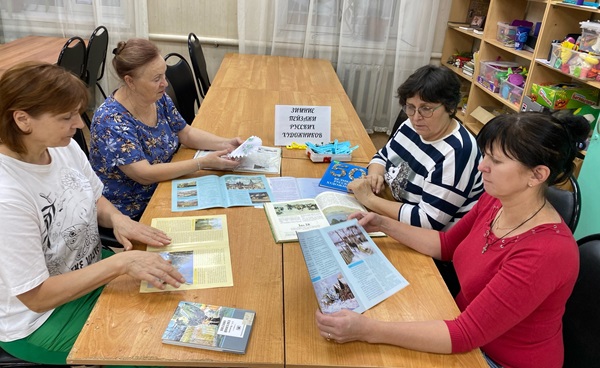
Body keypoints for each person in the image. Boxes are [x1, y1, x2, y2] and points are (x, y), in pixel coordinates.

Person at [316, 111, 590, 368]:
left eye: (496, 161)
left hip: (496, 359)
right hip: (461, 328)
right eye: (485, 156)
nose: (482, 166)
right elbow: (447, 246)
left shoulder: (547, 252)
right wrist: (383, 223)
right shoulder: (495, 200)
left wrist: (366, 330)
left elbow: (465, 335)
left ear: (537, 175)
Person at [0, 61, 185, 365]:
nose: (80, 124)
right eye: (66, 117)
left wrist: (118, 219)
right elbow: (36, 297)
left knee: (178, 299)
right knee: (159, 349)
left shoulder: (61, 147)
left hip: (91, 272)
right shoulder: (8, 196)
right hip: (40, 319)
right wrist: (123, 262)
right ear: (22, 119)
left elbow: (95, 196)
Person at [90, 38, 242, 220]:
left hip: (166, 184)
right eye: (157, 79)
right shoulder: (110, 121)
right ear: (130, 81)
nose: (165, 83)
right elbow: (144, 175)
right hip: (134, 206)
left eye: (164, 75)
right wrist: (202, 163)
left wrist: (226, 143)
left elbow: (186, 133)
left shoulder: (156, 97)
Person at [348, 65, 483, 231]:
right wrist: (375, 174)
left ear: (451, 107)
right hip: (395, 205)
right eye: (410, 107)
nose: (416, 117)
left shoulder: (458, 151)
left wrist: (369, 199)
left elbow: (428, 221)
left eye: (426, 108)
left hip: (431, 238)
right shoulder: (412, 124)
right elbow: (383, 156)